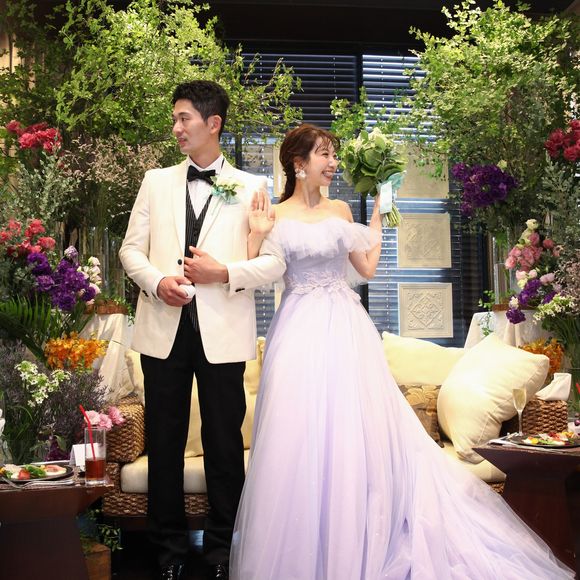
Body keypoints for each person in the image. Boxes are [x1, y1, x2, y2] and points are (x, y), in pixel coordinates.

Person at [229, 123, 575, 579]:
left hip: (346, 327)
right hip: (297, 330)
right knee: (298, 430)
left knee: (354, 429)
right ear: (299, 163)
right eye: (324, 154)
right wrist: (255, 234)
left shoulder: (339, 209)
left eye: (333, 154)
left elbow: (367, 268)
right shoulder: (273, 214)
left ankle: (362, 534)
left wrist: (378, 211)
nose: (333, 163)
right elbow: (256, 272)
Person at [119, 80, 285, 580]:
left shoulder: (253, 186)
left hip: (224, 333)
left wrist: (223, 272)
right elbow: (130, 250)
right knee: (164, 442)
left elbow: (274, 263)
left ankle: (221, 553)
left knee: (224, 444)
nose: (175, 127)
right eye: (175, 118)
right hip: (162, 329)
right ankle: (168, 553)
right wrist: (157, 282)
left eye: (183, 118)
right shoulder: (155, 181)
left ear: (213, 123)